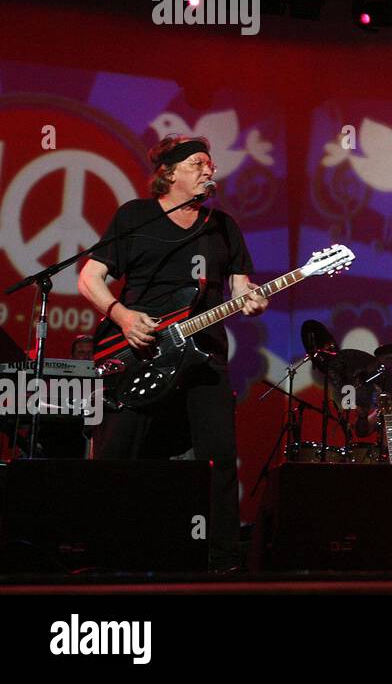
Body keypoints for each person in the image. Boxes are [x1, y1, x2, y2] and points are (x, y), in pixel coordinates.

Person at [77, 135, 268, 572]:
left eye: (211, 163)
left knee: (218, 459)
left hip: (203, 358)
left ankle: (222, 559)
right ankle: (99, 553)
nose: (210, 170)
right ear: (170, 173)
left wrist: (254, 299)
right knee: (118, 453)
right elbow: (90, 277)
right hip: (139, 352)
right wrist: (123, 317)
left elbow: (242, 290)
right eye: (199, 163)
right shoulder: (135, 217)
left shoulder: (223, 226)